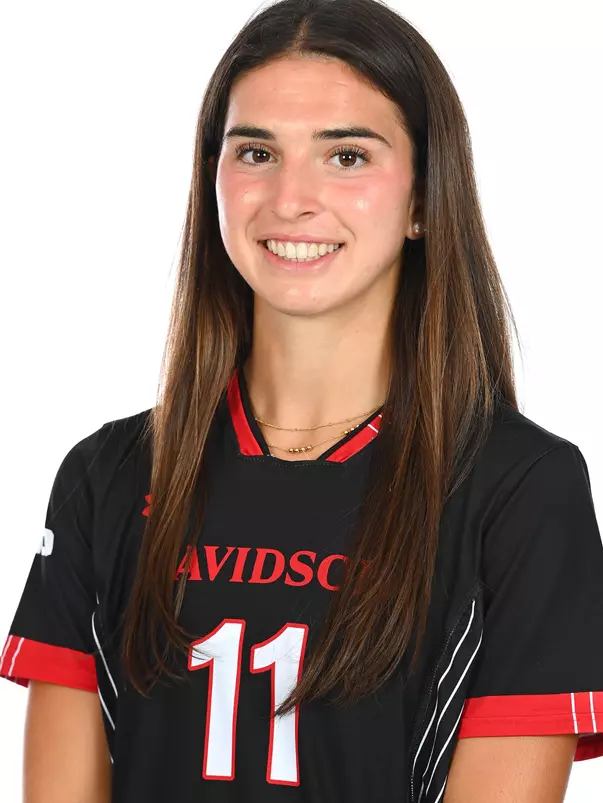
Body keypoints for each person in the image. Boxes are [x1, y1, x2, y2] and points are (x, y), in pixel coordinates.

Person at [2, 0, 602, 800]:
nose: (290, 199)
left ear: (425, 197)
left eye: (346, 157)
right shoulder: (105, 475)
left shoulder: (520, 488)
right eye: (255, 151)